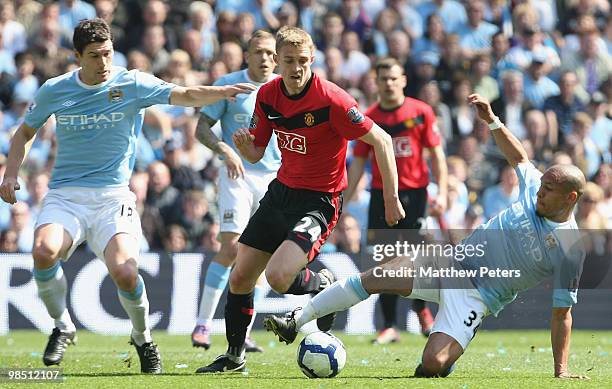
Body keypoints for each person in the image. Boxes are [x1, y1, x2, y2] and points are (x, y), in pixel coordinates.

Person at [264, 93, 590, 380]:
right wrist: (492, 121)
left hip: (478, 299)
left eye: (548, 190)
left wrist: (560, 370)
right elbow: (519, 158)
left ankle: (447, 352)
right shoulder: (534, 187)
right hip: (450, 262)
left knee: (432, 365)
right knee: (377, 276)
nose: (539, 193)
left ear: (570, 198)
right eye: (542, 185)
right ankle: (298, 319)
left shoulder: (569, 247)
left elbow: (563, 311)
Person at [0, 18, 255, 374]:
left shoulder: (130, 82)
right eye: (95, 56)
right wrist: (11, 173)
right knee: (43, 252)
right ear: (77, 56)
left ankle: (143, 337)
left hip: (112, 197)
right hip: (66, 195)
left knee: (124, 272)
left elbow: (181, 94)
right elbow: (23, 133)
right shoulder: (54, 90)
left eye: (107, 53)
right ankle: (62, 326)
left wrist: (220, 92)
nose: (104, 62)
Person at [196, 26, 405, 374]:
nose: (296, 68)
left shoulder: (333, 100)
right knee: (240, 276)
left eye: (303, 61)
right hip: (280, 193)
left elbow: (381, 140)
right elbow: (256, 152)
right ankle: (234, 358)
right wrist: (247, 149)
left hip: (319, 201)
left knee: (278, 278)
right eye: (289, 61)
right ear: (277, 61)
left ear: (313, 60)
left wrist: (390, 197)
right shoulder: (267, 95)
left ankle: (320, 284)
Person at [344, 57, 448, 343]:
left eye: (393, 78)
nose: (389, 83)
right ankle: (388, 326)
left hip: (415, 193)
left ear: (403, 80)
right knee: (384, 259)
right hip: (381, 193)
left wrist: (443, 191)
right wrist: (345, 200)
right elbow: (358, 161)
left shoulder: (421, 111)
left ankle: (421, 309)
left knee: (410, 256)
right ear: (375, 83)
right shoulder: (369, 117)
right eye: (383, 79)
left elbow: (437, 154)